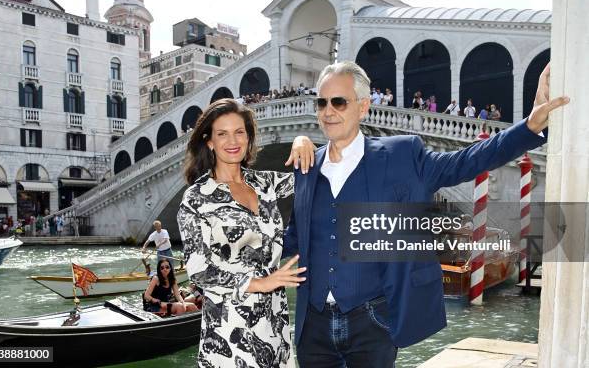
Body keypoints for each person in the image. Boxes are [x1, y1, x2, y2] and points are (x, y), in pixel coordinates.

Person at [282, 61, 567, 367]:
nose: (328, 111)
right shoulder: (306, 166)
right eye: (321, 102)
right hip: (313, 326)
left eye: (338, 101)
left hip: (373, 321)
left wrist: (529, 128)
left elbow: (466, 161)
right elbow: (292, 238)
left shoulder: (402, 155)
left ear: (363, 107)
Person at [177, 98, 313, 368]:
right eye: (222, 133)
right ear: (210, 142)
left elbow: (312, 174)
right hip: (229, 330)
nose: (232, 140)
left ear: (249, 138)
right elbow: (198, 270)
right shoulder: (196, 199)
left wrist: (303, 139)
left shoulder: (264, 184)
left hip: (275, 322)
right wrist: (258, 283)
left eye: (239, 132)